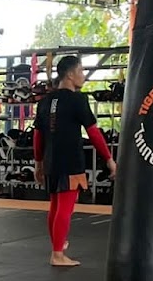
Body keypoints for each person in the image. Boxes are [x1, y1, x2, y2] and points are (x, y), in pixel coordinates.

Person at [32, 54, 115, 267]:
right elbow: (93, 132)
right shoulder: (78, 100)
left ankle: (58, 245)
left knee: (55, 205)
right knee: (65, 208)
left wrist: (38, 163)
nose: (83, 76)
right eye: (81, 71)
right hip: (70, 160)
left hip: (51, 160)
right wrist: (109, 159)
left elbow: (38, 136)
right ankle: (57, 254)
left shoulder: (45, 101)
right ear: (69, 74)